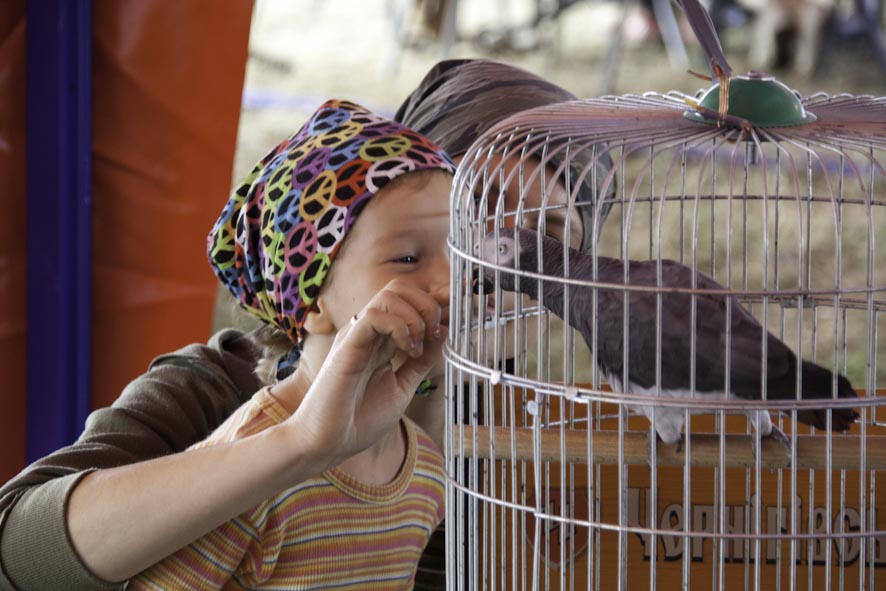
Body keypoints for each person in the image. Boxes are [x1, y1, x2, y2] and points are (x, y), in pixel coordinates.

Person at [0, 59, 611, 591]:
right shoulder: (217, 392)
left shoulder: (550, 452)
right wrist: (294, 446)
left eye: (551, 235)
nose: (494, 263)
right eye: (479, 212)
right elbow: (17, 553)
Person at [137, 99, 455, 589]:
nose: (452, 281)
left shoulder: (424, 470)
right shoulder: (250, 466)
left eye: (458, 249)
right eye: (408, 258)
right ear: (311, 299)